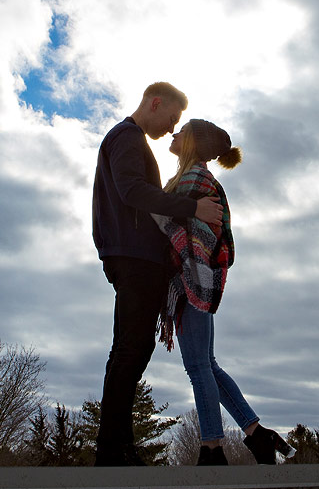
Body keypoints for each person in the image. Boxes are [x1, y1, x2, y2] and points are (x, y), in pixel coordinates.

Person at [92, 82, 224, 466]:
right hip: (133, 257)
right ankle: (112, 450)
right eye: (171, 118)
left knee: (131, 349)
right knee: (131, 349)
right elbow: (133, 191)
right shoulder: (128, 138)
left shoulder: (129, 140)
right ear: (155, 102)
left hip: (132, 255)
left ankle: (115, 446)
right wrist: (191, 208)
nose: (170, 128)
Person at [153, 118, 295, 466]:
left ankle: (213, 448)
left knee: (198, 367)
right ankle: (258, 434)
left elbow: (177, 225)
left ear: (192, 144)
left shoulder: (194, 180)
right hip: (198, 281)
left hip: (192, 282)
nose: (174, 134)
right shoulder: (192, 178)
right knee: (208, 365)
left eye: (182, 131)